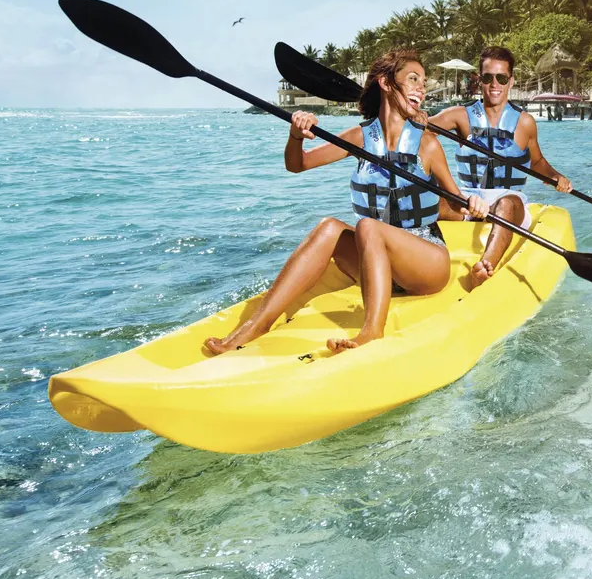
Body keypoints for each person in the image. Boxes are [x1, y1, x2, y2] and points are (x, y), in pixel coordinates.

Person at [204, 49, 489, 356]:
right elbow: (297, 165)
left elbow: (455, 199)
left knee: (368, 226)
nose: (422, 87)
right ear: (386, 83)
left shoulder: (426, 143)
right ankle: (257, 325)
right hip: (377, 265)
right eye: (413, 79)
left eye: (423, 81)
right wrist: (296, 136)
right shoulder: (359, 137)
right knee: (329, 228)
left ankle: (371, 332)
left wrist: (473, 202)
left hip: (426, 263)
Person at [428, 46, 573, 288]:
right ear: (479, 80)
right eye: (487, 77)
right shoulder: (459, 115)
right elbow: (418, 132)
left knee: (506, 204)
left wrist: (555, 176)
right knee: (421, 198)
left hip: (508, 202)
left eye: (501, 78)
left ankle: (485, 267)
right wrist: (419, 118)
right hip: (467, 202)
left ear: (510, 81)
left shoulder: (524, 122)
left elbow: (536, 162)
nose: (494, 84)